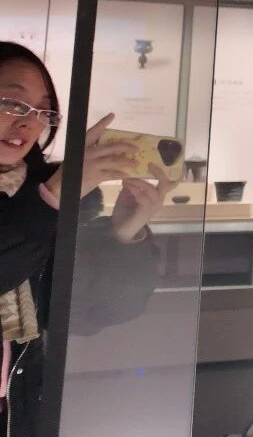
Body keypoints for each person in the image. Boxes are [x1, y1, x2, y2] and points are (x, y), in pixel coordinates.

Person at [0, 41, 169, 435]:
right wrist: (53, 196)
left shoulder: (44, 195)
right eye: (12, 103)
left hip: (18, 409)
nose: (29, 123)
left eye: (42, 111)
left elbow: (91, 311)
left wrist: (124, 235)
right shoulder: (50, 197)